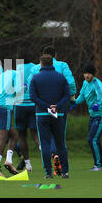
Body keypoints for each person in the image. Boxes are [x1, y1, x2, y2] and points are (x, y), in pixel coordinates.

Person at [27, 46, 76, 175]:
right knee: (61, 143)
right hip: (58, 112)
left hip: (42, 113)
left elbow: (32, 95)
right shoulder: (61, 77)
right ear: (53, 61)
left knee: (45, 143)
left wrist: (46, 106)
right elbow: (67, 94)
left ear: (41, 63)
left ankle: (48, 173)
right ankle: (65, 172)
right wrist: (57, 106)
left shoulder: (36, 77)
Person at [70, 62, 102, 171]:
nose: (86, 75)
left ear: (93, 74)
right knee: (94, 139)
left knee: (92, 139)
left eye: (89, 74)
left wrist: (97, 103)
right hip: (93, 116)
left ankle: (97, 165)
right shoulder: (85, 83)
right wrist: (74, 103)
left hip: (101, 115)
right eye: (85, 73)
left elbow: (101, 95)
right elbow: (82, 95)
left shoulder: (97, 83)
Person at [14, 49, 40, 172]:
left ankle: (28, 164)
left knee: (22, 136)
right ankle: (46, 151)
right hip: (33, 104)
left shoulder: (17, 69)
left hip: (20, 105)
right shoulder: (36, 68)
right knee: (35, 133)